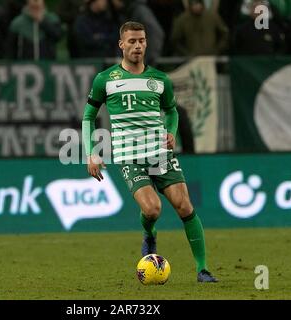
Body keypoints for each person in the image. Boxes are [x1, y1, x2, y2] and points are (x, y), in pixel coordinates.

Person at [82, 21, 217, 283]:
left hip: (160, 154)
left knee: (184, 206)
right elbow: (89, 116)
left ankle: (202, 269)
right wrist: (91, 153)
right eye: (131, 41)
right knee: (153, 209)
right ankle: (150, 233)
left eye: (141, 40)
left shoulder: (159, 79)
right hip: (129, 156)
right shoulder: (106, 79)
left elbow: (172, 111)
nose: (137, 45)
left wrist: (171, 132)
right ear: (121, 45)